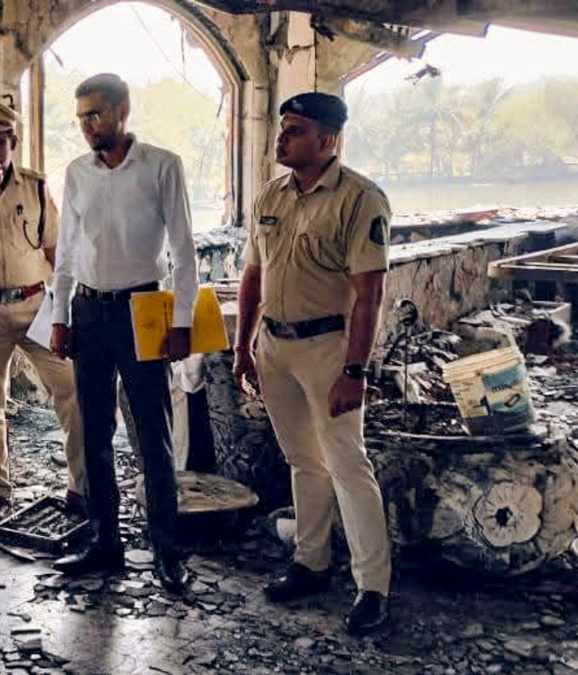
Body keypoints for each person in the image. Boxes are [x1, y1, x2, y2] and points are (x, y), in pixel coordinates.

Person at [233, 92, 392, 635]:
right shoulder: (270, 195)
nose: (282, 138)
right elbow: (253, 275)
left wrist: (355, 371)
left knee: (347, 463)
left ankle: (373, 587)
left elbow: (370, 295)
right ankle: (311, 563)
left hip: (328, 349)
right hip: (274, 346)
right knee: (302, 460)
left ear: (327, 140)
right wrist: (243, 348)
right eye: (283, 128)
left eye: (295, 130)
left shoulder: (360, 199)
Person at [48, 73, 195, 594]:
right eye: (81, 117)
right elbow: (66, 251)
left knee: (152, 435)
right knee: (93, 432)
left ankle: (167, 552)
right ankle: (104, 542)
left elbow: (183, 251)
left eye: (96, 114)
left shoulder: (161, 166)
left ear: (122, 110)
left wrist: (182, 323)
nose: (88, 126)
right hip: (89, 311)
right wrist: (60, 316)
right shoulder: (76, 173)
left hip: (143, 309)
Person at [0, 98, 85, 524]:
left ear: (14, 143)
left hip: (35, 303)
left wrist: (65, 308)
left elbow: (54, 250)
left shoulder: (36, 186)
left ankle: (81, 489)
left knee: (72, 391)